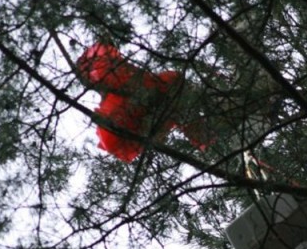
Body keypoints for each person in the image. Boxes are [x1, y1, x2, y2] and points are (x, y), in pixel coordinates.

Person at [76, 43, 213, 162]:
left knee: (173, 84)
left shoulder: (118, 90)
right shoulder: (113, 106)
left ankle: (211, 138)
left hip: (158, 105)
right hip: (147, 117)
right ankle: (211, 139)